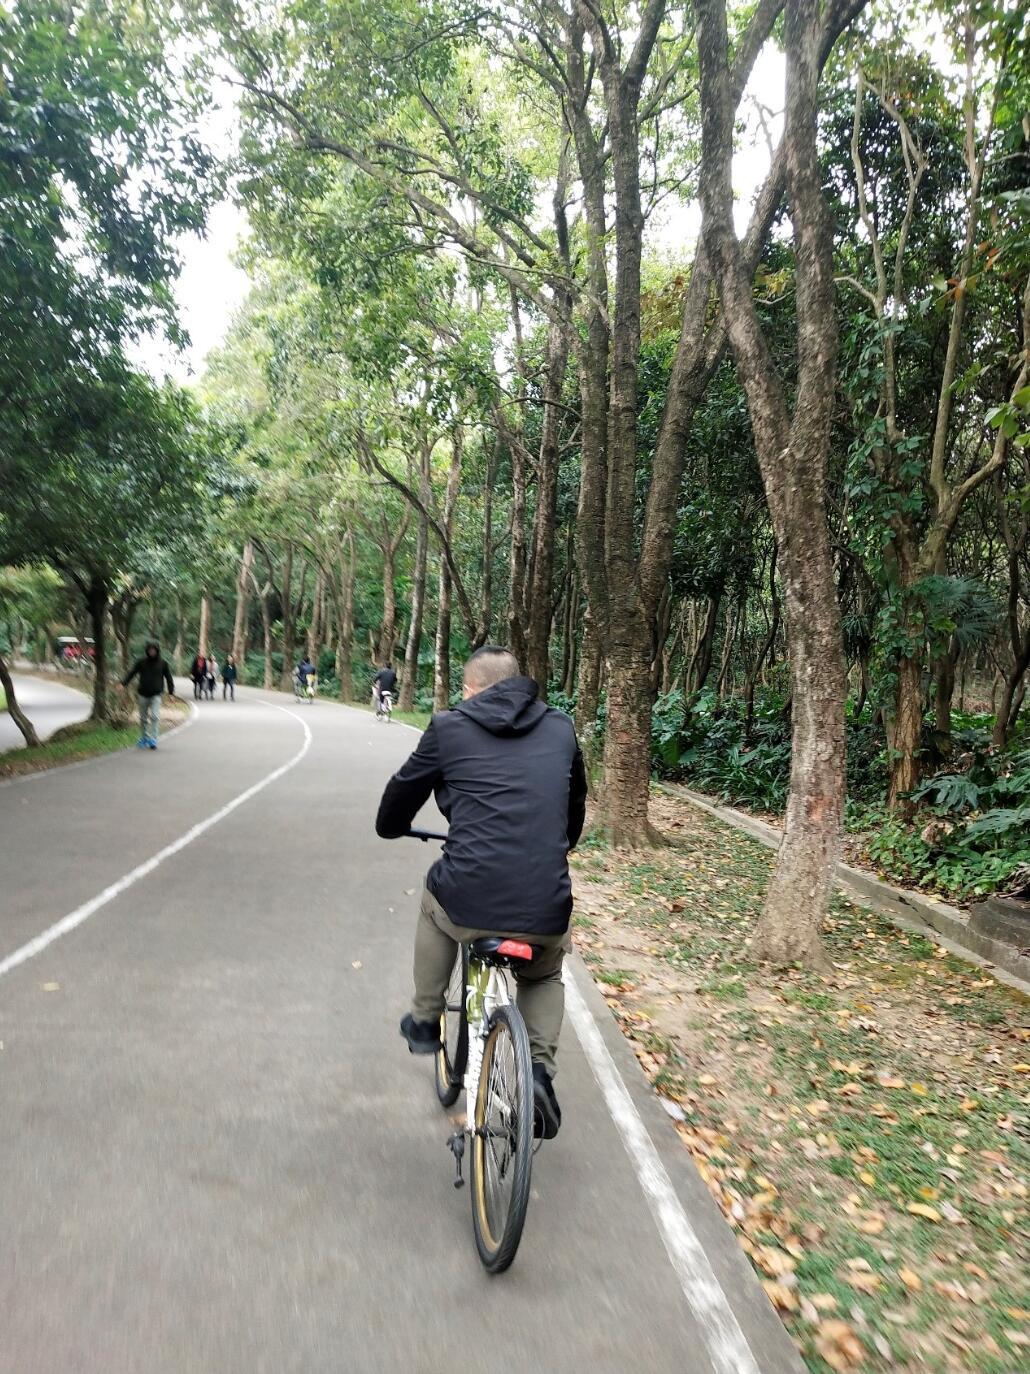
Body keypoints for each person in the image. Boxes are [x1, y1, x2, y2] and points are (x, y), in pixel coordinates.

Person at [375, 646, 587, 1139]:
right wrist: (560, 844)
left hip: (468, 895)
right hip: (545, 901)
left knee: (434, 905)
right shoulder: (560, 727)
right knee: (543, 970)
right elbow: (574, 806)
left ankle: (426, 1020)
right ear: (521, 684)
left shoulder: (449, 727)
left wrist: (393, 825)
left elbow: (401, 793)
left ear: (470, 689)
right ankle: (537, 1073)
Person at [122, 641, 176, 750]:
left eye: (154, 650)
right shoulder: (141, 662)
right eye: (150, 650)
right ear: (147, 650)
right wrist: (123, 683)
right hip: (143, 694)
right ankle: (144, 737)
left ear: (157, 651)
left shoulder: (163, 663)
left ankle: (153, 739)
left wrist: (171, 693)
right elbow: (132, 673)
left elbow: (169, 678)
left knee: (155, 716)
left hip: (156, 694)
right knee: (143, 718)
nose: (152, 652)